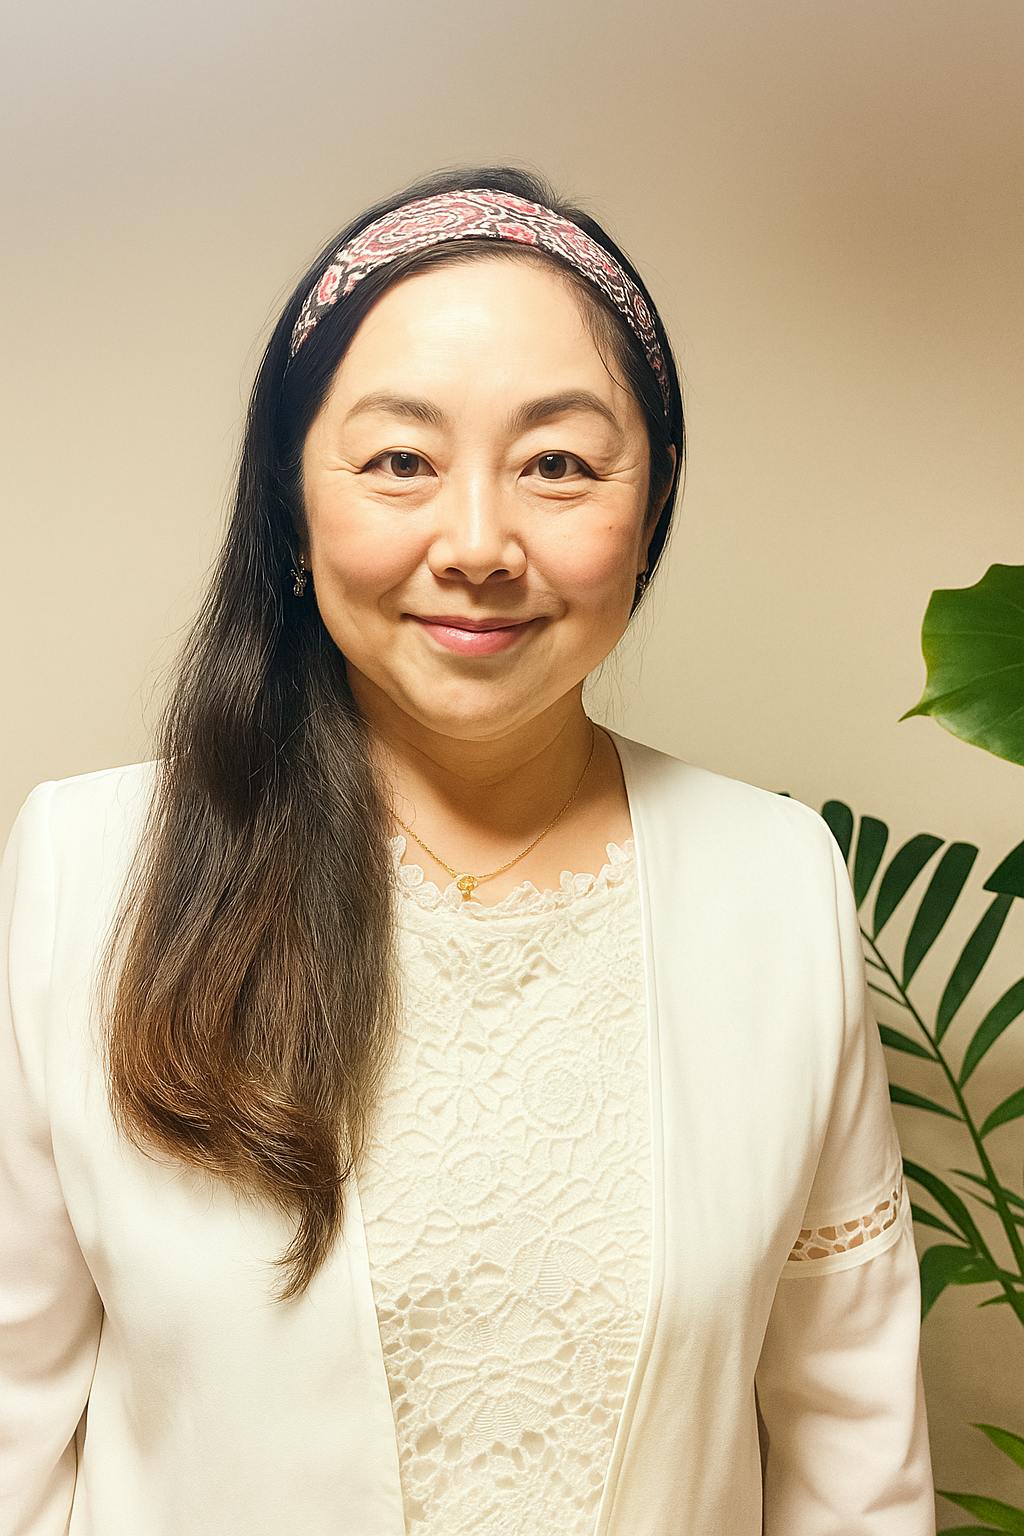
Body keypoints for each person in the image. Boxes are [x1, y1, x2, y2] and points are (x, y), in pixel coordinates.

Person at [0, 165, 935, 1535]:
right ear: (291, 500)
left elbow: (854, 1458)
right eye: (401, 462)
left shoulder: (775, 882)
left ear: (653, 502)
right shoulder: (92, 870)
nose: (482, 543)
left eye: (559, 464)